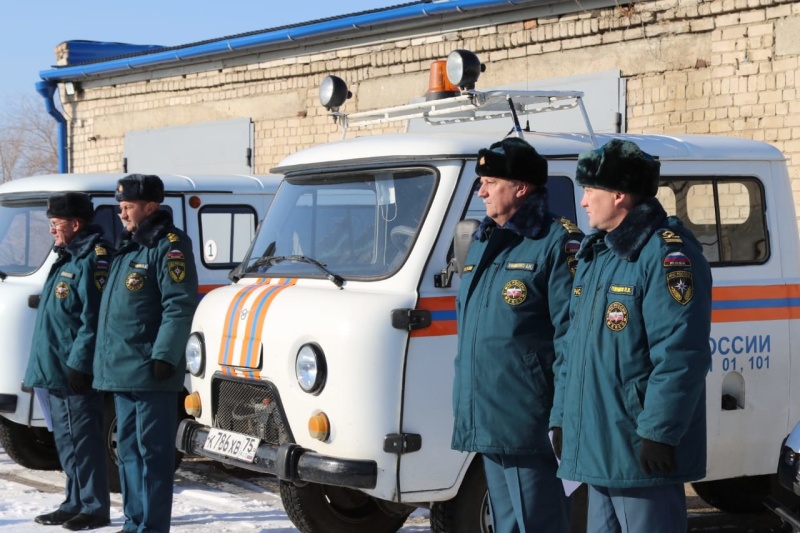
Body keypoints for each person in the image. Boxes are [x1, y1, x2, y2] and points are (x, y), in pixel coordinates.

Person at [549, 139, 712, 532]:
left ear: (619, 195)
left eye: (590, 190)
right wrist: (561, 417)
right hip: (600, 447)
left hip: (638, 449)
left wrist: (659, 431)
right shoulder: (597, 254)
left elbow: (680, 353)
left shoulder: (665, 254)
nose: (583, 201)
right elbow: (572, 349)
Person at [451, 136, 583, 532]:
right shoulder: (485, 240)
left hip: (529, 419)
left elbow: (571, 338)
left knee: (537, 523)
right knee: (507, 525)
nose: (482, 189)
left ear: (521, 189)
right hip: (491, 414)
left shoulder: (556, 242)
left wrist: (561, 416)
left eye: (491, 181)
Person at [93, 174, 199, 533]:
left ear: (150, 207)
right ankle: (133, 522)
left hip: (151, 370)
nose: (121, 213)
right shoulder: (130, 247)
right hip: (124, 370)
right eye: (120, 207)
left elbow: (179, 305)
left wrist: (165, 355)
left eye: (127, 207)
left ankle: (151, 527)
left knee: (151, 454)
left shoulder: (168, 246)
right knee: (129, 453)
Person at [24, 192, 112, 531]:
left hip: (71, 371)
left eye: (56, 224)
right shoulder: (67, 257)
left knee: (83, 441)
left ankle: (94, 507)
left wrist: (79, 364)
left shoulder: (93, 259)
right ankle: (74, 501)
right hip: (54, 368)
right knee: (67, 442)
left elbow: (93, 319)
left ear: (76, 224)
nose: (51, 231)